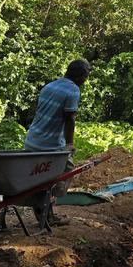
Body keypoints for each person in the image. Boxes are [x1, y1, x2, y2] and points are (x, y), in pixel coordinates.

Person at [24, 59, 92, 227]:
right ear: (80, 75)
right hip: (49, 145)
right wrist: (69, 144)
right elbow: (70, 119)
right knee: (66, 171)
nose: (85, 80)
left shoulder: (49, 86)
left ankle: (44, 213)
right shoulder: (73, 91)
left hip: (32, 140)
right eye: (86, 76)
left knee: (39, 177)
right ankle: (47, 208)